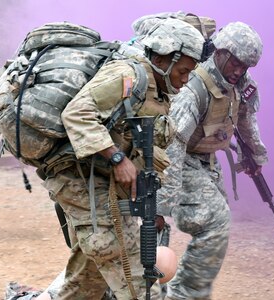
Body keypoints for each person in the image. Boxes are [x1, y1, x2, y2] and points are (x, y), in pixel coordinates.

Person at [39, 18, 204, 300]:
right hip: (77, 177)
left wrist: (151, 202)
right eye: (183, 70)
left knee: (89, 279)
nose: (186, 79)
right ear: (165, 58)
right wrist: (117, 158)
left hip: (104, 181)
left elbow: (138, 143)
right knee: (131, 266)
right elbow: (77, 114)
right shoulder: (127, 76)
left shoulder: (158, 90)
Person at [156, 21, 268, 300]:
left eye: (245, 67)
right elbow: (173, 145)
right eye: (236, 63)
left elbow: (245, 120)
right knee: (215, 220)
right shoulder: (195, 87)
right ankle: (184, 294)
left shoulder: (241, 84)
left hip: (206, 160)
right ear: (220, 52)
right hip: (181, 160)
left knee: (217, 220)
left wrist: (253, 155)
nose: (239, 71)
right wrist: (162, 203)